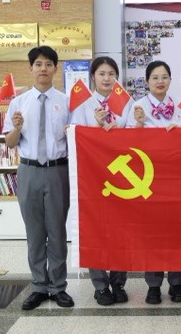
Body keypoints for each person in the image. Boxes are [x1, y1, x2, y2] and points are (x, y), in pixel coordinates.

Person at [3, 46, 73, 310]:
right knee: (34, 232)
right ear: (30, 68)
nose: (43, 68)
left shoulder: (67, 102)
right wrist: (16, 128)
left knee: (57, 231)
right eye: (39, 64)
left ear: (55, 68)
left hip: (58, 171)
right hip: (29, 170)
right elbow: (10, 143)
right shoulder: (18, 103)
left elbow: (76, 139)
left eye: (48, 64)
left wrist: (71, 132)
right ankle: (39, 286)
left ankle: (58, 287)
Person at [70, 56, 133, 306]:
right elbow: (75, 136)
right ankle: (100, 285)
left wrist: (120, 131)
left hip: (122, 177)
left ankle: (118, 282)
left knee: (121, 230)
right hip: (93, 177)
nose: (107, 79)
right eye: (102, 74)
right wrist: (95, 128)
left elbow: (136, 138)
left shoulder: (126, 102)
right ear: (93, 77)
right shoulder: (84, 103)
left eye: (111, 74)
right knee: (94, 229)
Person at [126, 60, 181, 304]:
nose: (160, 82)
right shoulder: (137, 106)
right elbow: (126, 144)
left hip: (176, 178)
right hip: (148, 180)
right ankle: (153, 285)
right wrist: (139, 123)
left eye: (164, 77)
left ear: (170, 80)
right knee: (152, 233)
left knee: (177, 231)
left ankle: (176, 282)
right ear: (147, 81)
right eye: (155, 78)